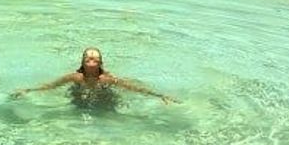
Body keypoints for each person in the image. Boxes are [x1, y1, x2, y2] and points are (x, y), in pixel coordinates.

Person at [12, 47, 178, 104]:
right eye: (88, 56)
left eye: (95, 57)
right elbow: (50, 86)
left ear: (100, 63)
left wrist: (160, 95)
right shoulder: (75, 77)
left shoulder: (107, 79)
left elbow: (133, 88)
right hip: (80, 95)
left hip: (104, 95)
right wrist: (28, 90)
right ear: (82, 62)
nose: (91, 57)